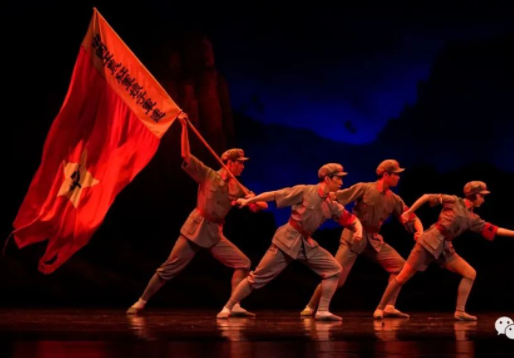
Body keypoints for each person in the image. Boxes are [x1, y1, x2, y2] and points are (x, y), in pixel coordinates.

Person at [127, 114, 267, 316]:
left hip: (214, 233)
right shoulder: (208, 175)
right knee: (168, 269)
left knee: (243, 263)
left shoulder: (238, 187)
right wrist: (184, 126)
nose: (243, 166)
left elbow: (262, 205)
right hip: (196, 228)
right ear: (229, 162)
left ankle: (234, 305)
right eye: (240, 163)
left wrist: (252, 200)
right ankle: (141, 301)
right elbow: (186, 155)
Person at [216, 163, 364, 321]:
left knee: (334, 270)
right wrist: (250, 200)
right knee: (257, 278)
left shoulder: (331, 204)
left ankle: (322, 310)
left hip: (306, 244)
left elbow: (351, 219)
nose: (341, 182)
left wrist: (359, 230)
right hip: (287, 240)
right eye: (338, 179)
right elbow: (275, 195)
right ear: (327, 179)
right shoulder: (305, 191)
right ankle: (228, 307)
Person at [374, 181, 514, 320]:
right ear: (474, 195)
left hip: (445, 247)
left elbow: (494, 229)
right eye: (481, 196)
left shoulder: (473, 218)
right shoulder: (453, 200)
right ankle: (381, 308)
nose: (483, 199)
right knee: (402, 276)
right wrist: (409, 212)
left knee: (470, 273)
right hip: (429, 241)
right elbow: (426, 197)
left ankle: (460, 311)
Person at [300, 159, 422, 319]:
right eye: (395, 174)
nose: (398, 177)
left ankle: (389, 306)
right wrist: (313, 199)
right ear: (386, 175)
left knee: (401, 268)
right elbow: (337, 196)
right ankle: (311, 306)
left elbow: (411, 216)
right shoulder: (364, 188)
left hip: (374, 240)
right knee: (336, 276)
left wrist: (420, 231)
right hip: (353, 237)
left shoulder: (394, 199)